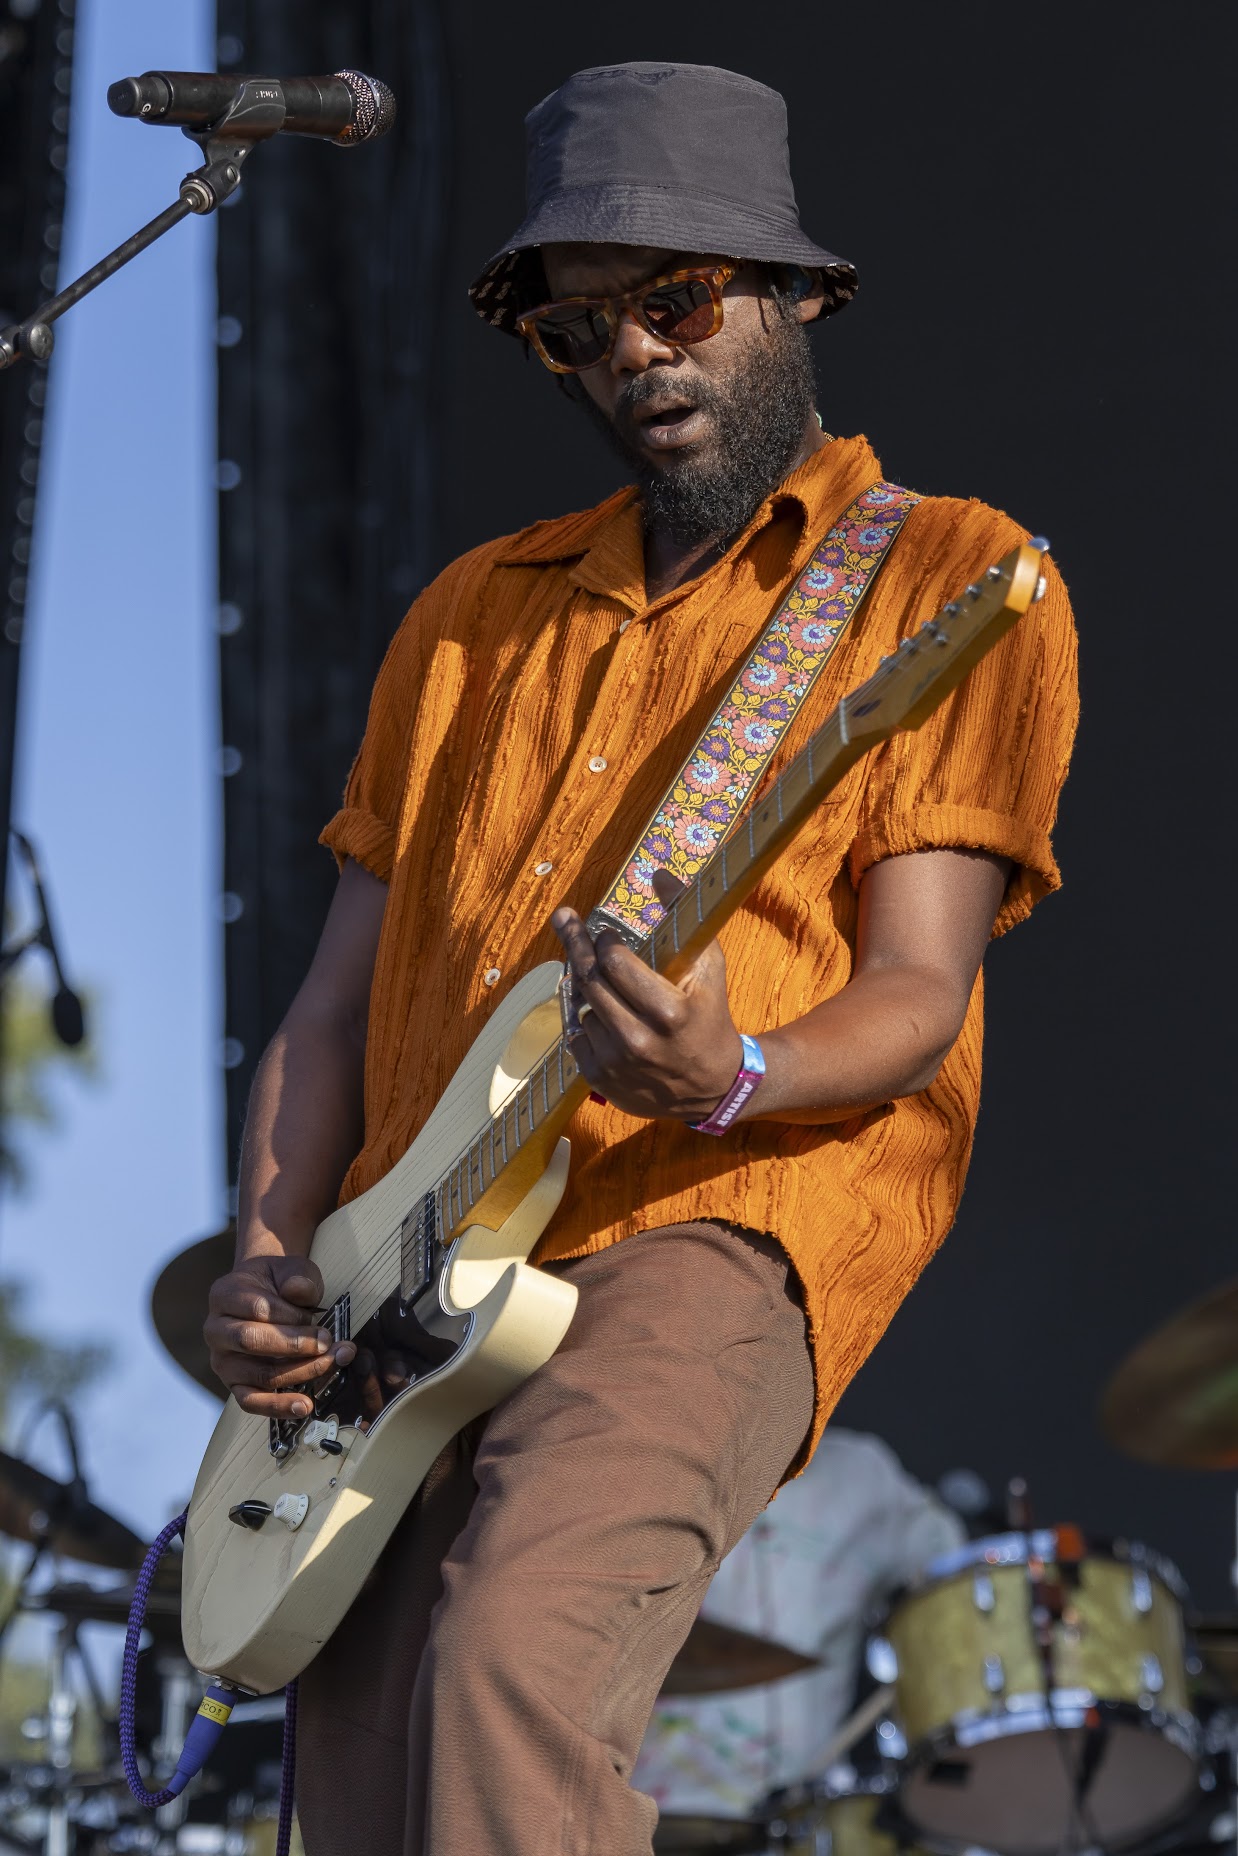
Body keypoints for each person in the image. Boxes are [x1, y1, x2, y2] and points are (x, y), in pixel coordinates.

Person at [202, 61, 1078, 1856]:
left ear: (791, 297)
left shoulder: (943, 580)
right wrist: (270, 1256)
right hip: (403, 1272)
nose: (632, 362)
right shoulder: (466, 616)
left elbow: (917, 995)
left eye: (672, 303)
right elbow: (327, 1005)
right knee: (355, 1800)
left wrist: (729, 1071)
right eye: (578, 330)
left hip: (707, 1214)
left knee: (515, 1653)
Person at [632, 1429, 964, 1827]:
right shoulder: (655, 1458)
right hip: (648, 1810)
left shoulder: (865, 1476)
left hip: (806, 1818)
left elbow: (956, 1580)